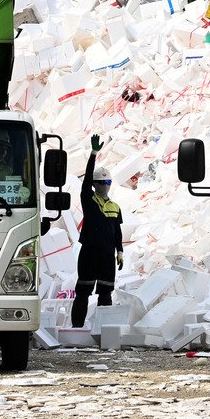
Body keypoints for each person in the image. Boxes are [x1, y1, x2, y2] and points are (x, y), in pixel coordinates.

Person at [71, 135, 125, 328]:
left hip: (107, 256)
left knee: (105, 293)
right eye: (101, 182)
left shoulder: (115, 206)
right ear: (94, 184)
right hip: (89, 253)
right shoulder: (89, 199)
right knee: (83, 292)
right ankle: (76, 329)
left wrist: (120, 250)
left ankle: (104, 331)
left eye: (108, 181)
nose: (105, 185)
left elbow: (117, 231)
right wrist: (93, 154)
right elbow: (85, 182)